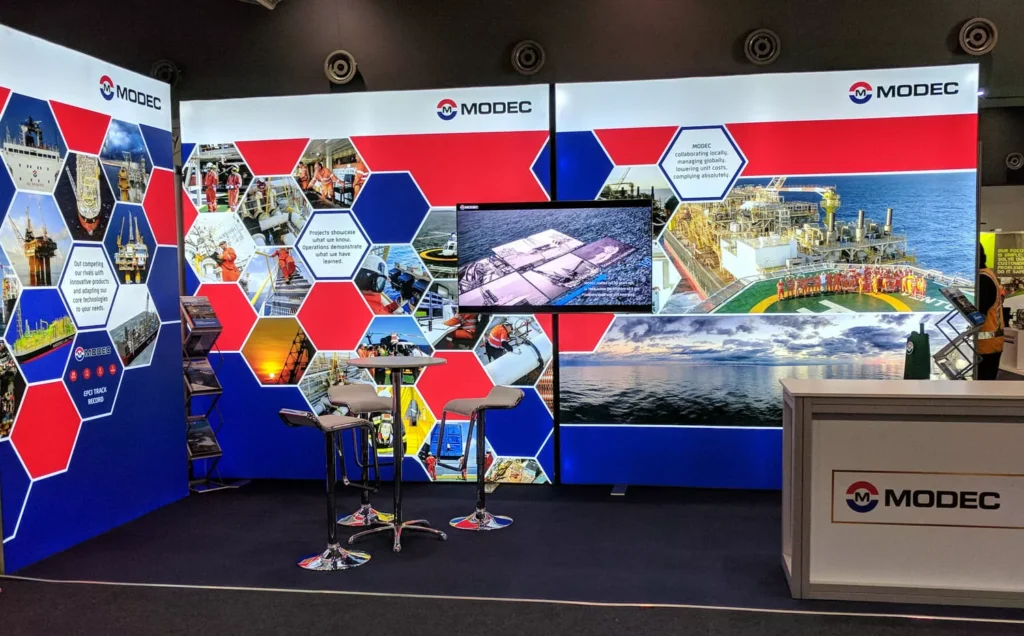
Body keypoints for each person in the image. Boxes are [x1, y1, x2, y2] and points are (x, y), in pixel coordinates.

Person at [977, 243, 1005, 380]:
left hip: (985, 346)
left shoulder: (983, 279)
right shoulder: (988, 274)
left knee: (981, 389)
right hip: (992, 343)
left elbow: (979, 312)